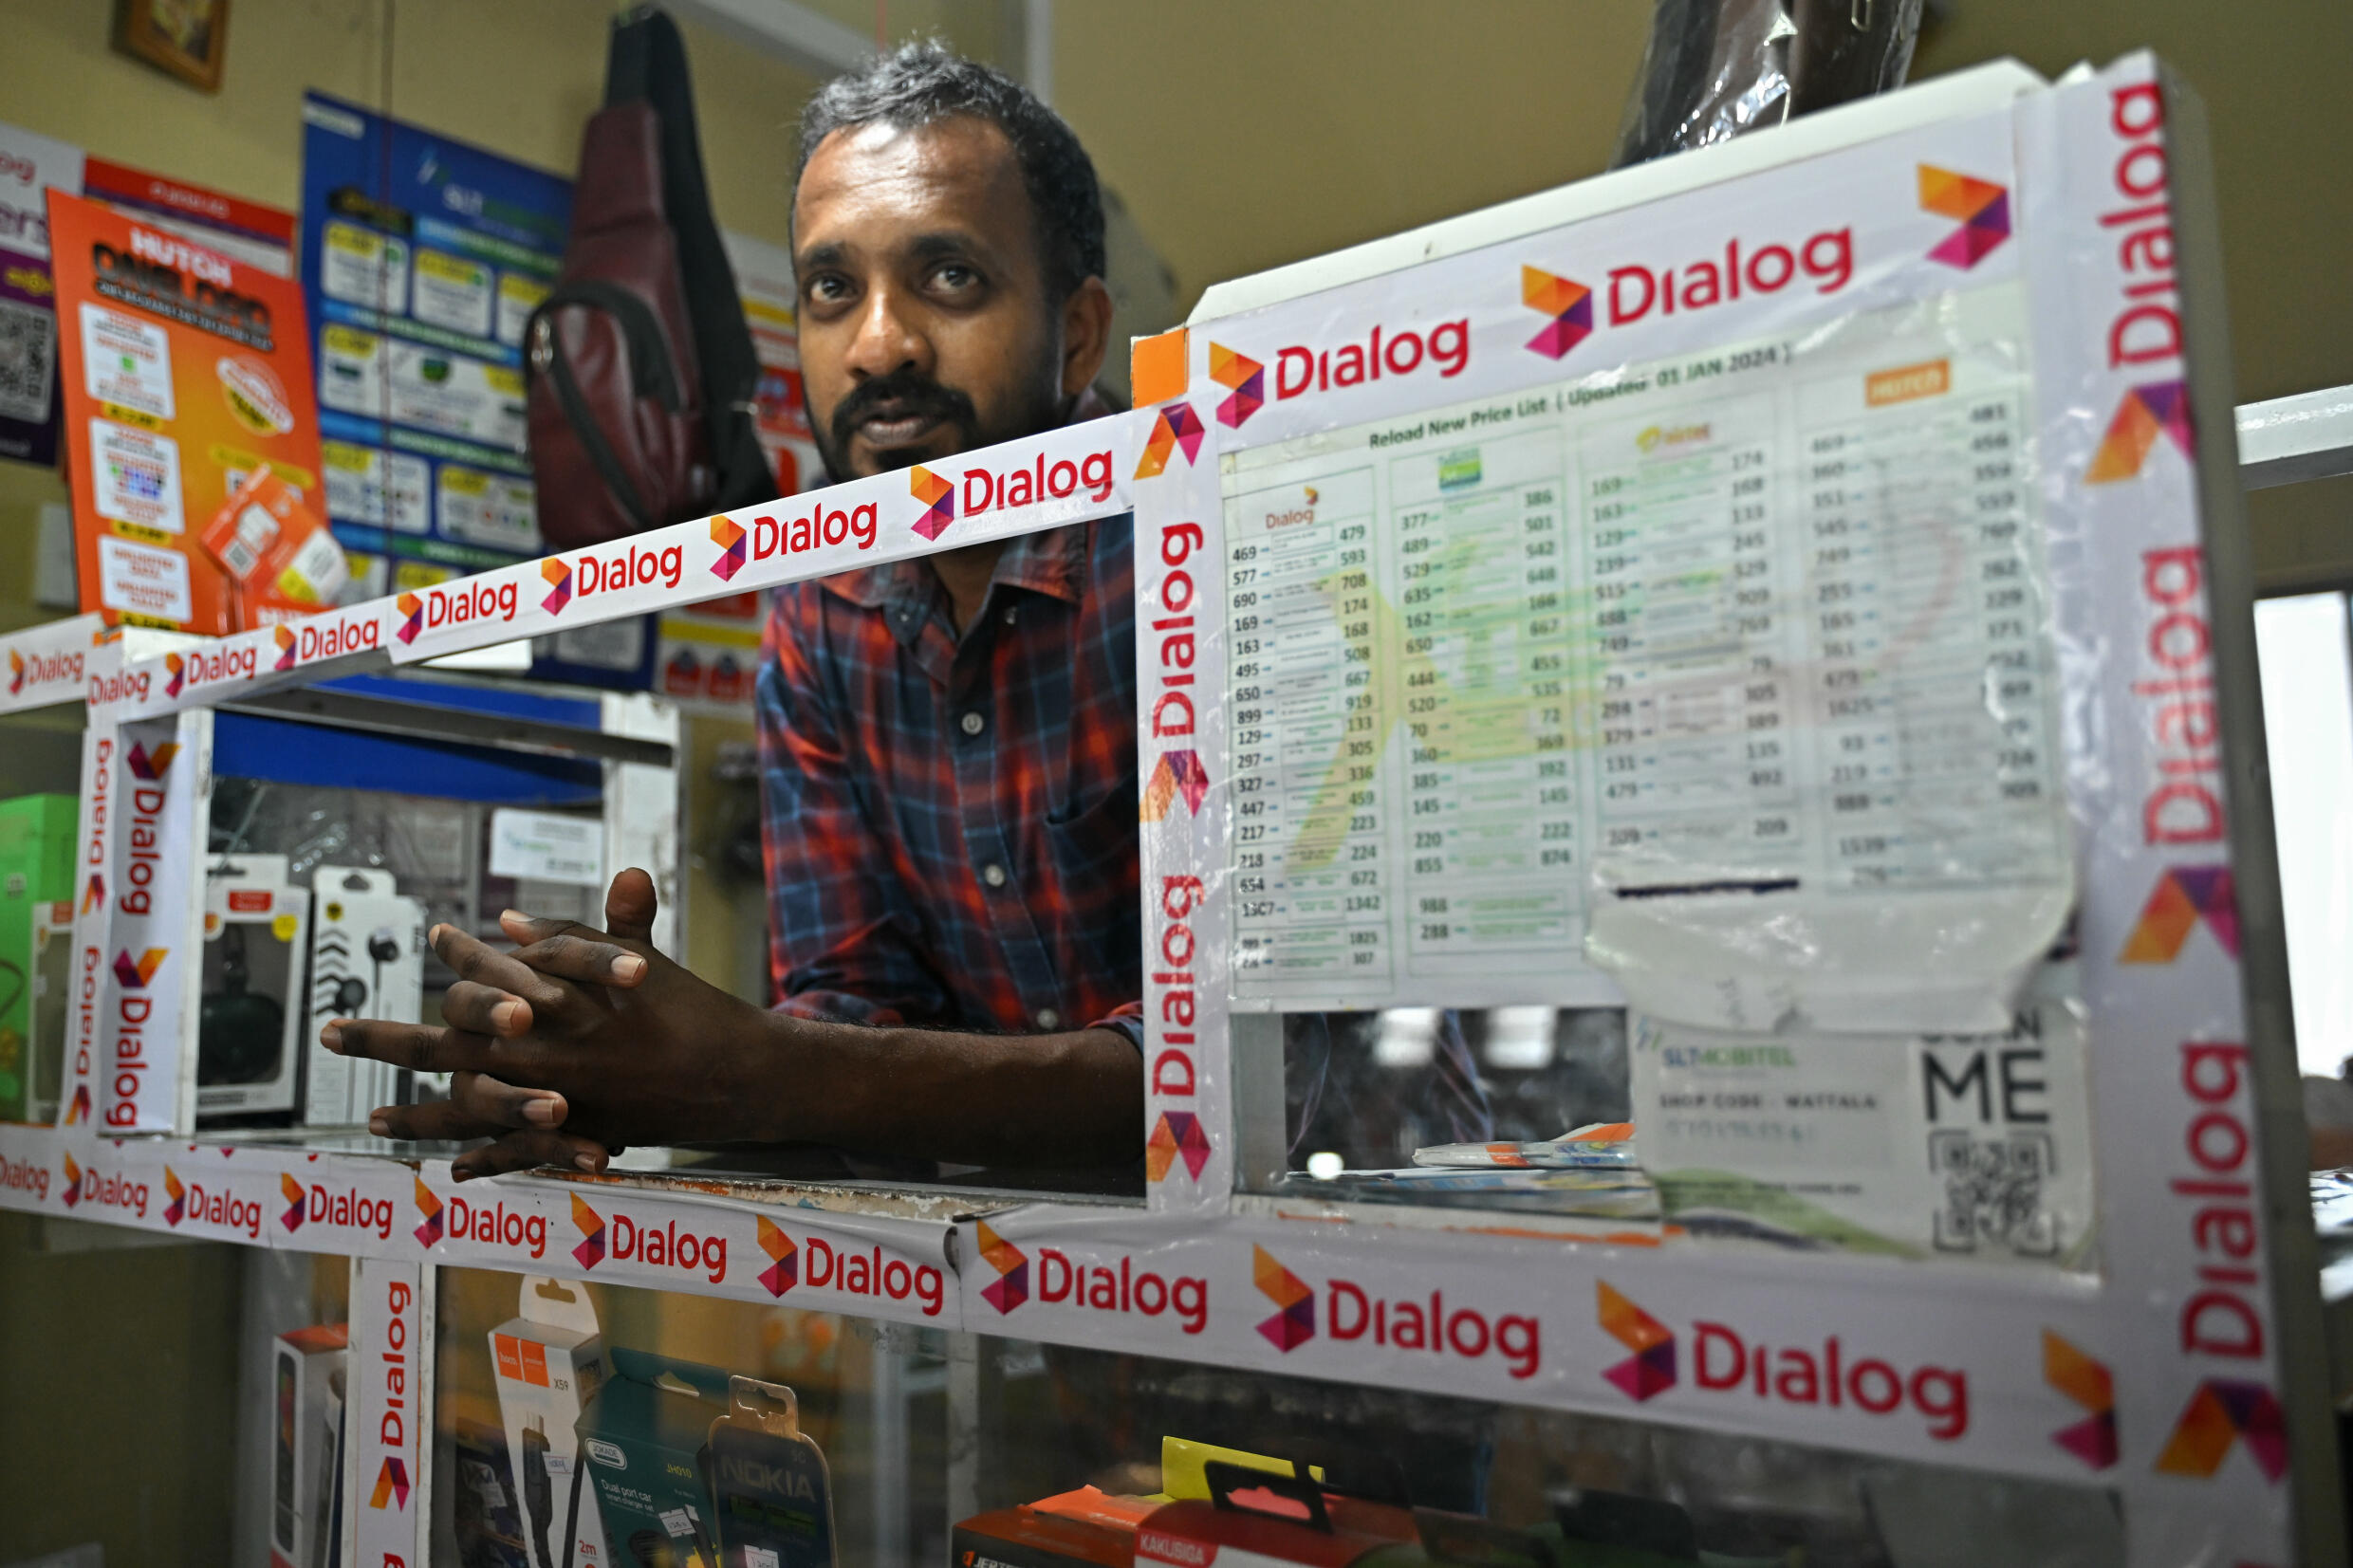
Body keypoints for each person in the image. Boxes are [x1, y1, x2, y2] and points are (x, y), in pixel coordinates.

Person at [329, 44, 1490, 1180]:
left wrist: (760, 1072)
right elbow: (856, 1006)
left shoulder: (1236, 546)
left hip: (1386, 1267)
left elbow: (1268, 1068)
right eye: (832, 288)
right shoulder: (820, 603)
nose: (878, 344)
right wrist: (599, 1069)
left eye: (949, 278)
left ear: (1078, 332)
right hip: (1069, 1298)